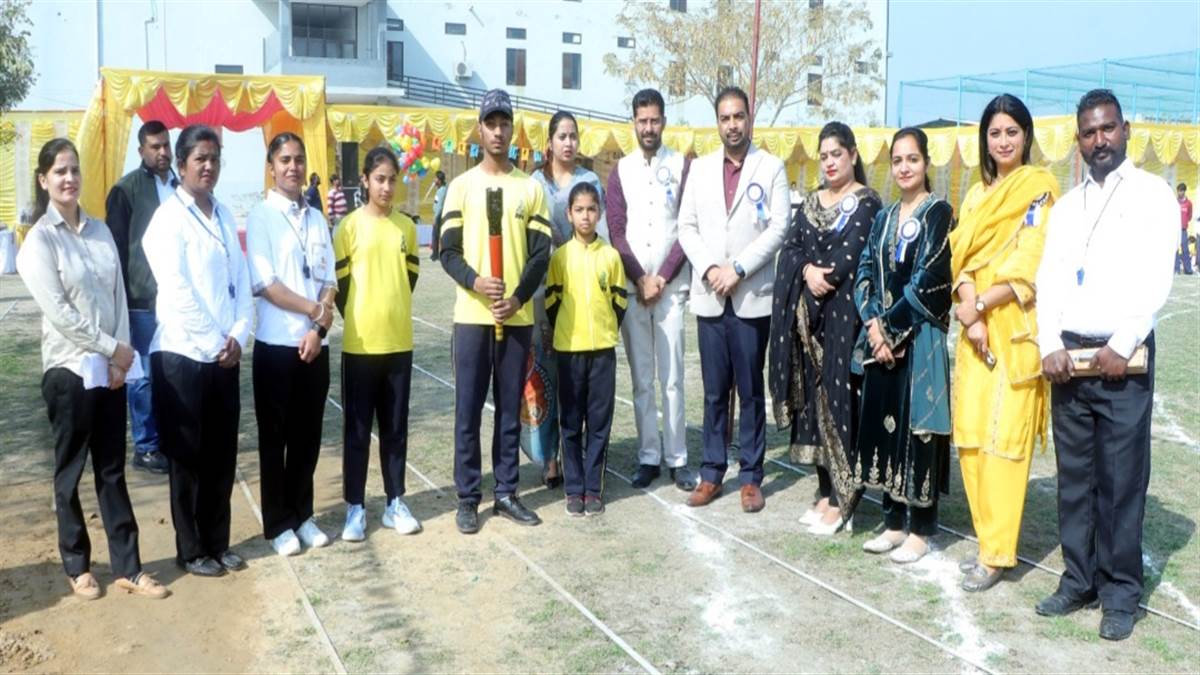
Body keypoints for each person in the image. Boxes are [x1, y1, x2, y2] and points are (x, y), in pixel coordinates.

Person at [1035, 89, 1177, 641]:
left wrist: (1123, 341)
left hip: (1124, 359)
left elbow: (1156, 275)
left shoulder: (1152, 194)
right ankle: (1078, 580)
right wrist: (1049, 343)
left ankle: (1119, 594)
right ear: (1078, 140)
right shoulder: (1067, 206)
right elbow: (1050, 278)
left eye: (1108, 128)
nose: (1100, 140)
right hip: (1070, 359)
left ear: (1126, 131)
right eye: (1090, 132)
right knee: (1075, 480)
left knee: (1120, 482)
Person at [17, 138, 169, 600]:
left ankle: (128, 566)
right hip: (68, 370)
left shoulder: (101, 231)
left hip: (110, 369)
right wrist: (110, 348)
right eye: (59, 172)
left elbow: (119, 294)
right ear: (44, 180)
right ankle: (77, 564)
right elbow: (62, 314)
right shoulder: (38, 242)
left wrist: (121, 354)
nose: (69, 178)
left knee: (112, 468)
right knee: (70, 470)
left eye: (74, 170)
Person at [949, 94, 1061, 593]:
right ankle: (984, 541)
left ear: (1026, 135)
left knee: (1005, 444)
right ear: (985, 140)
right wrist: (969, 311)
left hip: (1013, 330)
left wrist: (981, 305)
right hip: (974, 335)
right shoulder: (976, 195)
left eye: (1011, 132)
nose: (1003, 141)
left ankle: (996, 553)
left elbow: (1030, 259)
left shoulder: (1039, 190)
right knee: (972, 440)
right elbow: (960, 256)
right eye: (995, 133)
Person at [439, 89, 552, 534]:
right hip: (472, 318)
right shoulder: (461, 187)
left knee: (509, 410)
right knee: (468, 410)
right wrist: (476, 282)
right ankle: (468, 497)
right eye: (491, 123)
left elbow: (540, 255)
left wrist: (519, 298)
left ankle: (506, 491)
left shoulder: (530, 188)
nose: (498, 131)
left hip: (516, 318)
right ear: (480, 129)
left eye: (505, 123)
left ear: (512, 129)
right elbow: (448, 251)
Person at [143, 124, 253, 578]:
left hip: (224, 356)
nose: (209, 166)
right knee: (188, 458)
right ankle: (191, 550)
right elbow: (177, 290)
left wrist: (239, 335)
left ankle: (217, 542)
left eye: (215, 158)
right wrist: (215, 342)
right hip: (183, 355)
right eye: (200, 159)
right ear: (181, 163)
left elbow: (241, 281)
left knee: (221, 456)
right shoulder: (167, 219)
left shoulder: (223, 213)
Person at [677, 86, 788, 513]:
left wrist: (737, 269)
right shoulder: (699, 169)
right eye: (725, 118)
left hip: (750, 297)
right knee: (713, 392)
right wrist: (710, 269)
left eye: (738, 116)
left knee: (751, 389)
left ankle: (751, 476)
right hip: (710, 296)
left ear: (749, 118)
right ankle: (711, 472)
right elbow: (686, 227)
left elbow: (778, 228)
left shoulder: (771, 167)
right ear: (717, 123)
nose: (732, 125)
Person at [768, 122, 881, 534]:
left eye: (837, 154)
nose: (830, 162)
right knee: (812, 408)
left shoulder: (865, 203)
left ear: (853, 155)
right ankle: (823, 490)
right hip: (806, 324)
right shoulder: (812, 202)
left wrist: (821, 276)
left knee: (840, 403)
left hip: (843, 319)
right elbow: (791, 248)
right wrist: (806, 271)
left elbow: (850, 256)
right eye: (825, 156)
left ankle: (843, 499)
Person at [851, 127, 954, 562]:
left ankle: (921, 529)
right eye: (897, 160)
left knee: (919, 431)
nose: (904, 167)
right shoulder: (884, 216)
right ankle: (893, 523)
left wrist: (890, 329)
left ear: (926, 162)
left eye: (912, 159)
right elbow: (864, 272)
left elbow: (930, 279)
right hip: (882, 344)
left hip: (920, 339)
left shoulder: (939, 213)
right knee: (886, 427)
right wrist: (873, 326)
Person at [245, 133, 336, 556]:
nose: (293, 167)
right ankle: (278, 523)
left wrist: (318, 328)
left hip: (315, 345)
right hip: (276, 346)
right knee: (275, 439)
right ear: (271, 167)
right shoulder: (261, 216)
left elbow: (329, 280)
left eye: (299, 159)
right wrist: (314, 311)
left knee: (307, 437)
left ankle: (303, 514)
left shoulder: (316, 218)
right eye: (284, 160)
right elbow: (266, 284)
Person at [607, 88, 696, 491]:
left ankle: (677, 457)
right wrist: (640, 278)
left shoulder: (682, 165)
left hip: (671, 290)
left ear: (664, 122)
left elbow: (687, 227)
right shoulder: (620, 170)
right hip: (633, 290)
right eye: (642, 121)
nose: (648, 127)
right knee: (642, 380)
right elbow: (616, 229)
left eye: (654, 120)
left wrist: (662, 277)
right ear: (633, 123)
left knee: (672, 378)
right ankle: (648, 456)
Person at [333, 146, 422, 541]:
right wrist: (362, 314)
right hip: (360, 346)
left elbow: (409, 279)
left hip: (399, 343)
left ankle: (394, 502)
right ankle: (355, 506)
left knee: (395, 429)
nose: (386, 187)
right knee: (356, 431)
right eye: (380, 179)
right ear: (365, 181)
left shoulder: (406, 228)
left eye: (392, 180)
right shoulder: (348, 227)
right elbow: (340, 288)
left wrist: (391, 309)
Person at [530, 111, 607, 489]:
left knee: (579, 378)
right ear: (549, 142)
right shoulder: (534, 183)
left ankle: (582, 455)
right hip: (544, 291)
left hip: (584, 293)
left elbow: (602, 238)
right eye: (561, 136)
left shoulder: (590, 181)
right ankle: (550, 457)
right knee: (546, 373)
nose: (568, 142)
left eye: (573, 136)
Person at [545, 182, 627, 515]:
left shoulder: (611, 256)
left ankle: (593, 488)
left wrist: (604, 329)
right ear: (569, 214)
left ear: (600, 213)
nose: (585, 216)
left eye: (592, 209)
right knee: (570, 421)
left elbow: (619, 302)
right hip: (569, 352)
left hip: (602, 353)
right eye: (579, 210)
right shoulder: (560, 257)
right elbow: (552, 303)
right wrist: (569, 331)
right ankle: (573, 488)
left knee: (598, 422)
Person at [105, 120, 176, 475]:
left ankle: (169, 440)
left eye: (166, 145)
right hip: (141, 300)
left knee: (171, 373)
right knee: (143, 376)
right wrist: (120, 300)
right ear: (141, 151)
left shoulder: (180, 186)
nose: (162, 152)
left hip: (175, 300)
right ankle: (146, 446)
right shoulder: (126, 190)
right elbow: (115, 251)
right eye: (155, 147)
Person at [429, 170, 448, 261]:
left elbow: (439, 206)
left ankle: (435, 255)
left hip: (439, 215)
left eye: (436, 178)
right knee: (437, 234)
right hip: (438, 214)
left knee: (435, 235)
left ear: (439, 180)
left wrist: (435, 217)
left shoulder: (442, 191)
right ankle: (437, 254)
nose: (434, 180)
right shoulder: (441, 189)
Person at [1175, 182, 1193, 274]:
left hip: (1183, 229)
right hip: (1175, 229)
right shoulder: (1174, 202)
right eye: (1178, 191)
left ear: (1184, 191)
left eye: (1181, 191)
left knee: (1185, 249)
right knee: (1175, 249)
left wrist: (1184, 222)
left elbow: (1189, 216)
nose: (1179, 192)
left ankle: (1188, 269)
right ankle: (1176, 269)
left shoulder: (1189, 203)